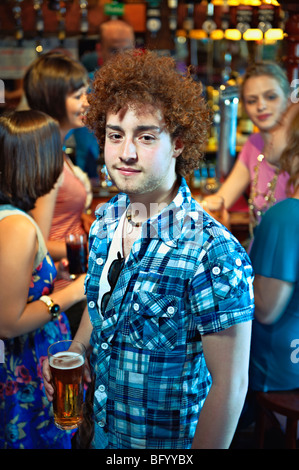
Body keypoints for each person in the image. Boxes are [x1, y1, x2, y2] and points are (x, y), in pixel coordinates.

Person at [43, 49, 254, 449]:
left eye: (145, 136)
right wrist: (78, 349)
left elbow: (230, 388)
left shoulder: (212, 251)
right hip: (99, 433)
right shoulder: (106, 219)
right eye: (115, 134)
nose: (125, 153)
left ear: (178, 142)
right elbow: (101, 299)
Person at [0, 110, 86, 449]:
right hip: (26, 369)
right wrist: (74, 292)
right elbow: (7, 322)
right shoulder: (18, 226)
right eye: (57, 152)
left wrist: (51, 276)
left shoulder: (12, 216)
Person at [23, 51, 92, 335]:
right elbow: (36, 239)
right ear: (53, 99)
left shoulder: (57, 149)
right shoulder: (47, 156)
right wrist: (90, 250)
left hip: (69, 281)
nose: (86, 102)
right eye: (78, 96)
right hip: (61, 289)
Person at [211, 62, 297, 237]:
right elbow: (222, 199)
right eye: (252, 100)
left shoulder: (295, 151)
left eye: (271, 97)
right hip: (258, 252)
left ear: (288, 99)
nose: (261, 106)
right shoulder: (254, 143)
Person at [249, 109, 299, 393]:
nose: (267, 130)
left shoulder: (287, 214)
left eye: (279, 123)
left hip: (283, 371)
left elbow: (266, 309)